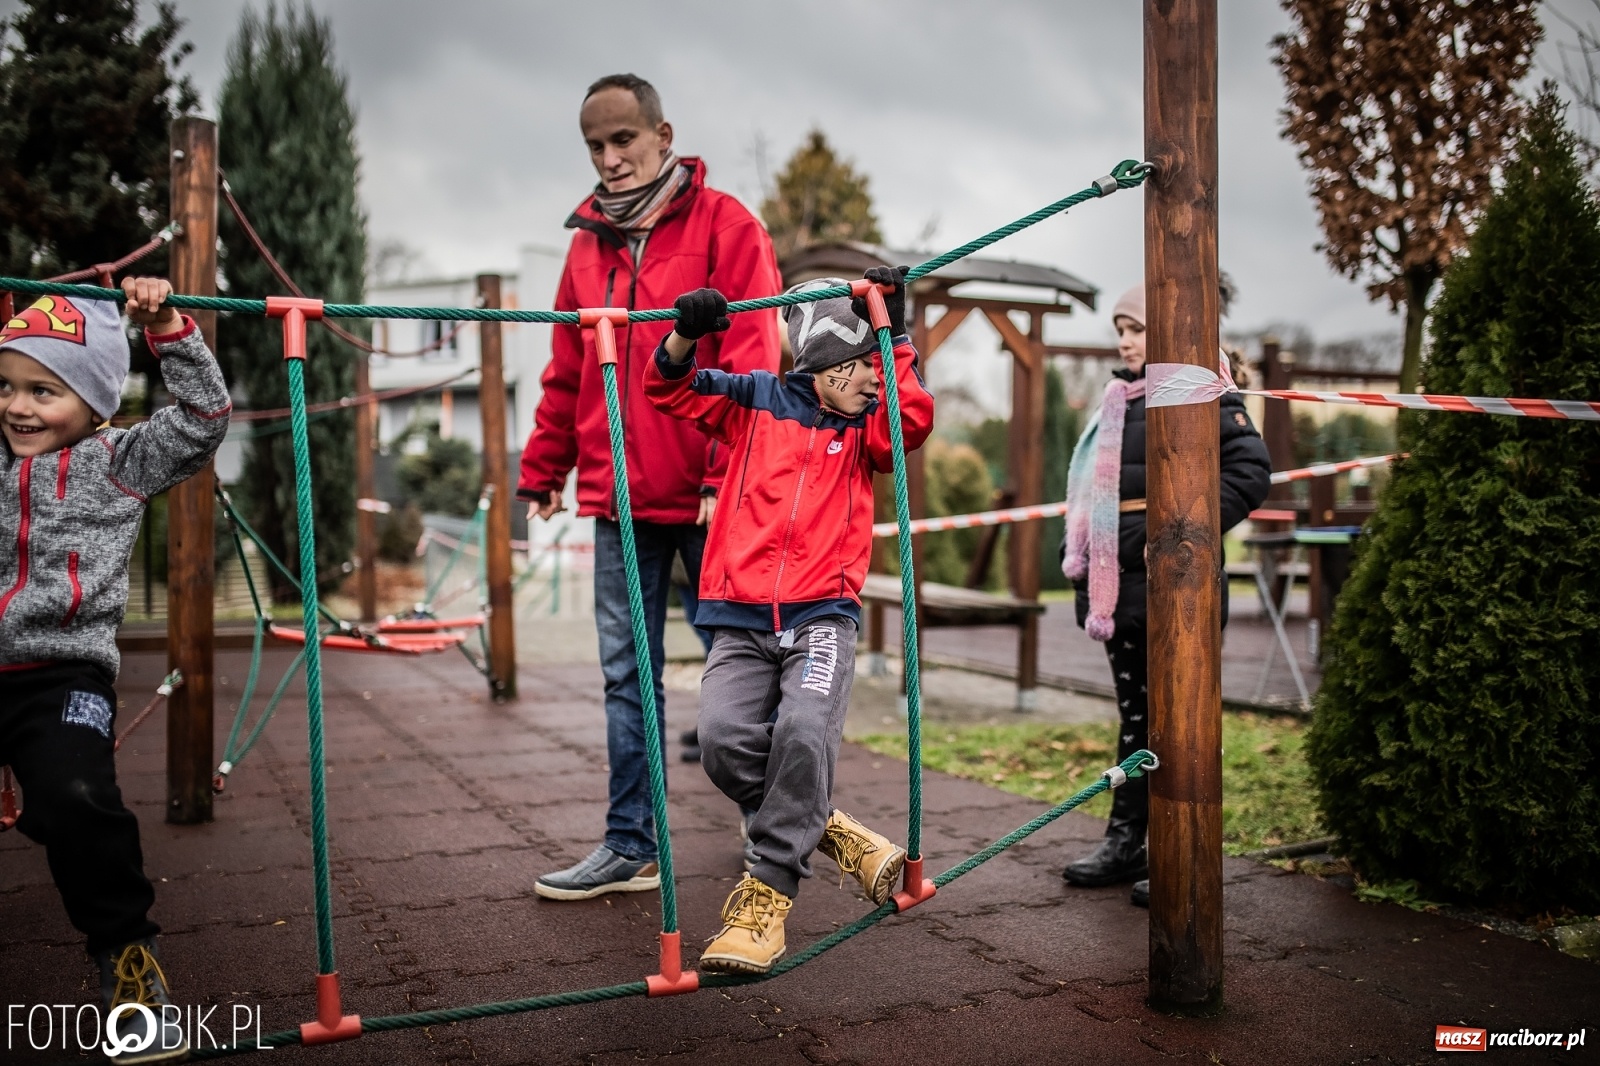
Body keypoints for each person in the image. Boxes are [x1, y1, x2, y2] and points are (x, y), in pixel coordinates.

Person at [517, 73, 782, 900]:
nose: (610, 158)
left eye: (623, 140)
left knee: (739, 663)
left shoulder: (726, 224)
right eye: (595, 146)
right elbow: (567, 371)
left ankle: (777, 824)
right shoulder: (585, 245)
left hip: (709, 493)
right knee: (626, 674)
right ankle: (632, 843)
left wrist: (719, 468)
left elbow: (752, 357)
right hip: (619, 500)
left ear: (662, 135)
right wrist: (543, 470)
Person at [643, 266, 934, 974]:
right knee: (720, 741)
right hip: (739, 615)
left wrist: (891, 336)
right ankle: (823, 827)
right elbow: (666, 389)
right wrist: (685, 333)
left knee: (804, 730)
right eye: (860, 366)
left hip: (820, 613)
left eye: (875, 367)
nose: (872, 380)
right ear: (824, 364)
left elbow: (912, 423)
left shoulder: (867, 426)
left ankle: (767, 894)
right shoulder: (754, 400)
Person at [0, 279, 231, 1063]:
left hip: (63, 674)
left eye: (43, 390)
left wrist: (166, 327)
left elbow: (204, 420)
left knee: (75, 796)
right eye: (7, 386)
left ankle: (128, 964)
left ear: (95, 401)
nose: (18, 407)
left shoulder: (120, 458)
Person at [1057, 283, 1270, 906]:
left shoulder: (1203, 390)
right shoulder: (1118, 401)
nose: (1124, 340)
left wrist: (1175, 541)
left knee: (1181, 725)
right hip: (1117, 589)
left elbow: (1250, 474)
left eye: (1138, 328)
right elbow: (1093, 496)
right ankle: (1127, 842)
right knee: (1137, 720)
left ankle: (1186, 853)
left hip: (1176, 592)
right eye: (1120, 328)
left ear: (1173, 333)